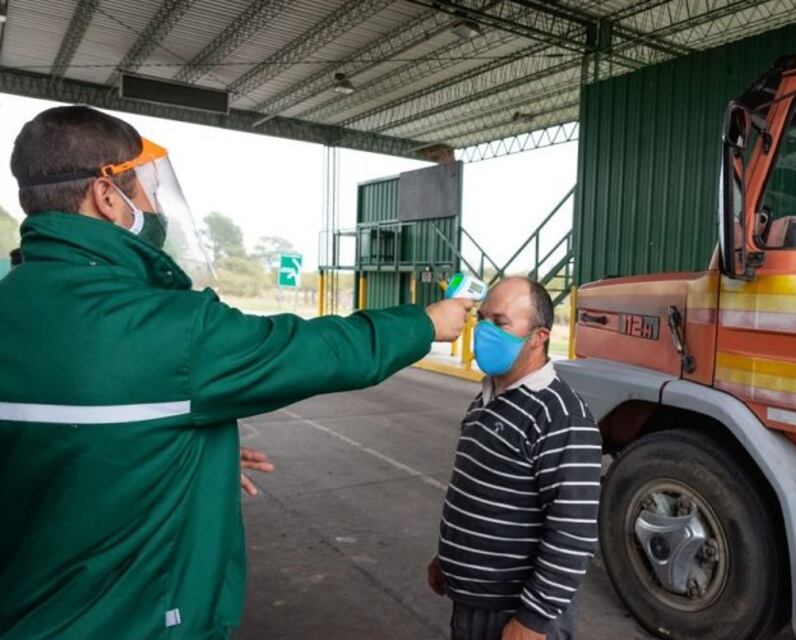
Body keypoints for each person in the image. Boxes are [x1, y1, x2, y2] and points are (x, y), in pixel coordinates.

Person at [0, 105, 472, 639]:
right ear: (107, 198)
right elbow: (313, 349)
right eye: (144, 189)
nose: (153, 205)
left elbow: (65, 452)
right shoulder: (169, 328)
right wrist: (424, 322)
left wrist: (191, 456)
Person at [427, 277, 602, 640]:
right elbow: (478, 493)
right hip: (472, 599)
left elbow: (574, 531)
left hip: (515, 612)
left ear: (538, 337)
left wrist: (533, 621)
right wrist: (449, 557)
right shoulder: (489, 395)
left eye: (500, 323)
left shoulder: (561, 415)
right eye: (483, 318)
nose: (484, 330)